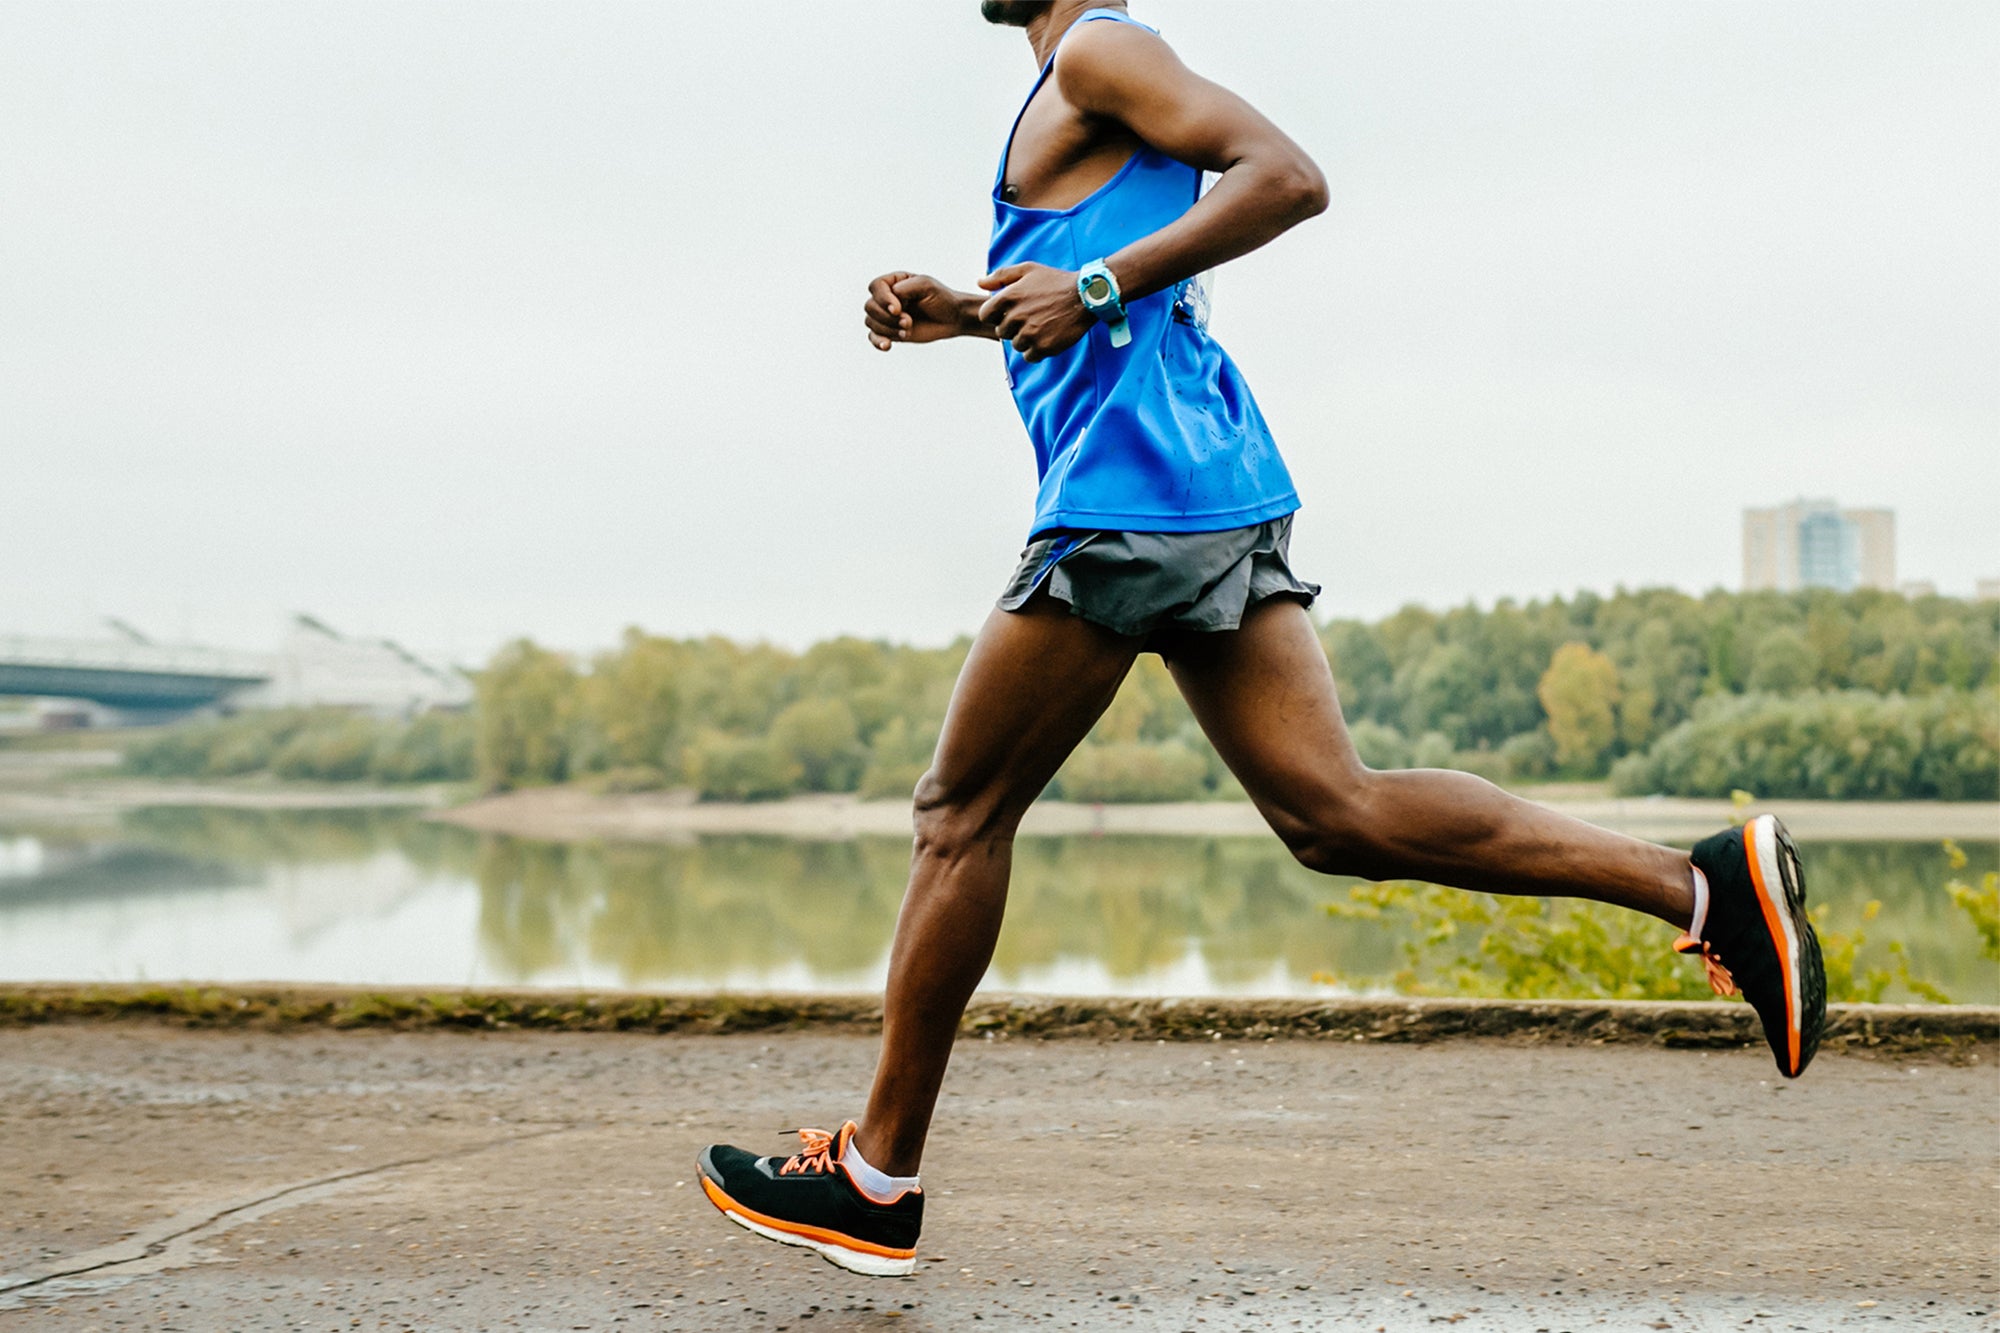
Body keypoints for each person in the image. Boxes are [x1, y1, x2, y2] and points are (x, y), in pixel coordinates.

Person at [698, 0, 1825, 1277]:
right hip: (1202, 480)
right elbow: (1106, 293)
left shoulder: (1095, 50)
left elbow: (1285, 178)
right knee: (1332, 813)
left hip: (1133, 499)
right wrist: (970, 311)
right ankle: (1699, 886)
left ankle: (874, 1178)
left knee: (958, 812)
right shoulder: (1086, 78)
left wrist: (1091, 282)